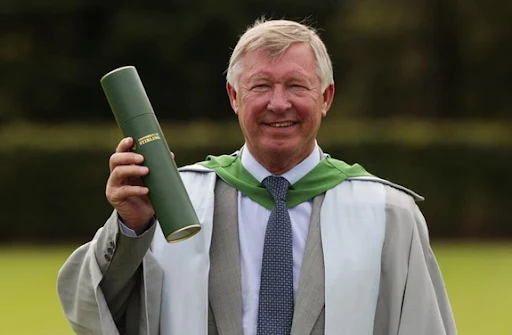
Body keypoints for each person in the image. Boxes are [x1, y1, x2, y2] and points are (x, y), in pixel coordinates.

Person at [57, 18, 457, 335]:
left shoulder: (390, 214)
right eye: (261, 86)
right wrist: (130, 228)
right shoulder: (172, 199)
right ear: (234, 97)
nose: (278, 103)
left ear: (326, 97)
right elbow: (93, 308)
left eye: (296, 86)